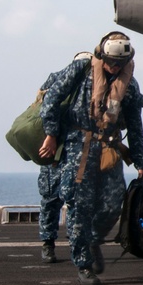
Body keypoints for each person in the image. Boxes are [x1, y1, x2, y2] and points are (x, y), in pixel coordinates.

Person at [39, 31, 143, 285]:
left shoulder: (129, 86)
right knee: (79, 206)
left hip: (109, 149)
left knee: (112, 205)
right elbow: (52, 99)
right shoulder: (81, 70)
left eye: (119, 63)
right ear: (102, 55)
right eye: (110, 61)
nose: (114, 67)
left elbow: (135, 125)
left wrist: (140, 161)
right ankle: (83, 264)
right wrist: (51, 135)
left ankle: (93, 239)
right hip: (80, 147)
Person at [36, 51, 92, 264]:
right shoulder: (57, 79)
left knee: (72, 199)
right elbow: (44, 107)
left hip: (76, 151)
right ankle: (48, 242)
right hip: (55, 149)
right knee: (52, 197)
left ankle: (66, 242)